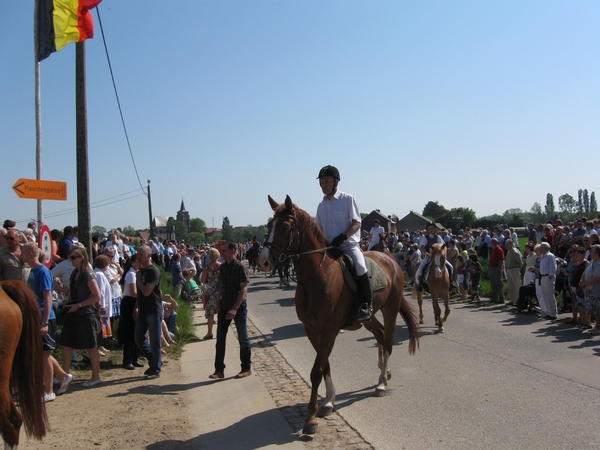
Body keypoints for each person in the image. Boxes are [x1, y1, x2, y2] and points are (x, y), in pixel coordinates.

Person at [314, 165, 372, 322]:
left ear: (336, 182)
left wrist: (342, 237)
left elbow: (356, 223)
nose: (323, 185)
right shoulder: (321, 206)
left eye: (326, 182)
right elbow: (317, 230)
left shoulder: (348, 199)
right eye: (321, 182)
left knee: (360, 267)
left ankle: (366, 306)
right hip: (329, 248)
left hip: (348, 246)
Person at [22, 243, 74, 402]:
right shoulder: (34, 271)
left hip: (44, 317)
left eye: (23, 252)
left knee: (44, 355)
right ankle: (64, 376)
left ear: (31, 254)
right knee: (41, 353)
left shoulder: (43, 272)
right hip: (37, 317)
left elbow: (48, 297)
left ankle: (49, 391)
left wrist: (44, 322)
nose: (20, 255)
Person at [59, 247, 103, 387]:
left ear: (82, 257)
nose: (71, 260)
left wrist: (79, 305)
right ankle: (64, 375)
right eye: (70, 257)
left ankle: (96, 376)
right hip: (74, 313)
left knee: (91, 347)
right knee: (66, 344)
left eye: (74, 257)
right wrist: (60, 288)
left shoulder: (87, 274)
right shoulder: (74, 273)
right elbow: (70, 292)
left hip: (87, 314)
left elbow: (96, 296)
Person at [209, 241, 251, 380]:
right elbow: (222, 286)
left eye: (225, 250)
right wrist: (218, 302)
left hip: (238, 308)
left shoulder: (240, 267)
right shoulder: (223, 268)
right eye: (222, 250)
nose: (222, 253)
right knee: (220, 340)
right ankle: (219, 370)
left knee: (243, 339)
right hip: (224, 306)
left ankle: (246, 368)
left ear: (233, 251)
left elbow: (243, 289)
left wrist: (234, 308)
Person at [134, 245, 163, 379]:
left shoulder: (153, 271)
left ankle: (155, 369)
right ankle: (154, 361)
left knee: (155, 341)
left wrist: (139, 278)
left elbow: (146, 291)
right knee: (139, 338)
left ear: (149, 256)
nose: (138, 257)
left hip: (153, 310)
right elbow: (140, 293)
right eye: (138, 254)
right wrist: (136, 306)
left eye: (141, 254)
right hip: (143, 310)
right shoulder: (140, 271)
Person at [414, 222, 455, 292]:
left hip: (438, 257)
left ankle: (451, 282)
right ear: (427, 229)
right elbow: (422, 246)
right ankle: (420, 284)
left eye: (432, 228)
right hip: (429, 257)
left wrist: (443, 254)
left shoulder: (438, 237)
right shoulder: (425, 237)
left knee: (450, 267)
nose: (431, 230)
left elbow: (443, 246)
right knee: (420, 268)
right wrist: (426, 253)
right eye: (429, 229)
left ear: (435, 229)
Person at [119, 254, 143, 370]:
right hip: (129, 302)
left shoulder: (135, 273)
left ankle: (134, 358)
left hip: (133, 302)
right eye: (138, 261)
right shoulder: (131, 274)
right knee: (129, 332)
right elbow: (133, 292)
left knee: (134, 332)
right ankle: (127, 360)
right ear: (133, 262)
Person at [201, 247, 221, 340]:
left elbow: (203, 281)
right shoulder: (221, 266)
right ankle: (221, 332)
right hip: (219, 291)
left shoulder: (206, 267)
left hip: (210, 291)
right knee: (221, 312)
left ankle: (209, 332)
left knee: (210, 314)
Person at [579, 244, 600, 334]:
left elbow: (596, 279)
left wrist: (584, 283)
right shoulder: (592, 262)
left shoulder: (599, 264)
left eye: (592, 251)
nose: (590, 253)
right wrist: (582, 281)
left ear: (597, 253)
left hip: (595, 290)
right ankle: (593, 325)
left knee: (597, 309)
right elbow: (585, 273)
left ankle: (598, 327)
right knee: (592, 308)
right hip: (588, 289)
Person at [504, 239, 523, 306]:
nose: (506, 246)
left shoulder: (515, 252)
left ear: (511, 244)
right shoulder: (508, 252)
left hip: (514, 269)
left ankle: (517, 300)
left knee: (517, 286)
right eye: (506, 245)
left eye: (507, 245)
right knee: (510, 286)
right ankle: (512, 300)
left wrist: (519, 270)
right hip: (509, 270)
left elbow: (520, 263)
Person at [488, 238, 505, 304]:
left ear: (494, 243)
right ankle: (495, 298)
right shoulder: (493, 249)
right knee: (493, 283)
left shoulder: (499, 250)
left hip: (496, 267)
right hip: (492, 267)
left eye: (491, 243)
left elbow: (501, 260)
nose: (490, 244)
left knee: (499, 283)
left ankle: (501, 298)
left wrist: (499, 268)